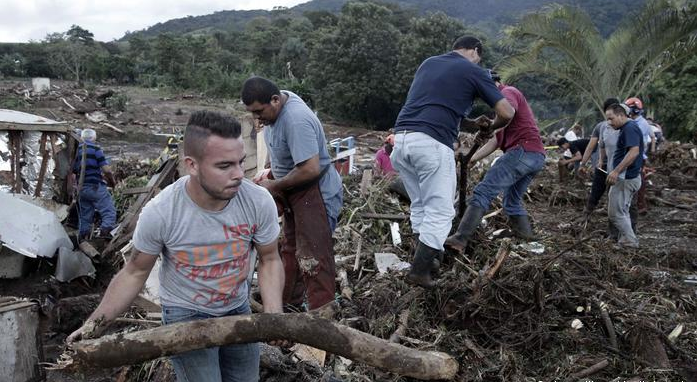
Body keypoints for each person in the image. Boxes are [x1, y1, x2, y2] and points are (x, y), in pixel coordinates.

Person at [67, 111, 286, 381]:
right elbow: (135, 272)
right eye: (224, 166)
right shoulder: (162, 212)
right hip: (186, 315)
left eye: (241, 162)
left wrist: (274, 316)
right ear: (192, 165)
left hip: (237, 308)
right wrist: (94, 325)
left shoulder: (257, 201)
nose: (239, 174)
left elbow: (270, 259)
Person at [391, 35, 515, 288]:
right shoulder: (474, 70)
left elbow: (437, 106)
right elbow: (507, 113)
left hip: (402, 140)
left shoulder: (429, 63)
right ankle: (420, 271)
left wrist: (471, 122)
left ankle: (428, 259)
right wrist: (491, 126)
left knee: (421, 205)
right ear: (476, 51)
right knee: (442, 210)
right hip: (431, 144)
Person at [241, 76, 342, 310]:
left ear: (275, 100)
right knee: (291, 252)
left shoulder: (296, 120)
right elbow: (278, 148)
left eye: (259, 111)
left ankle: (321, 320)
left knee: (314, 259)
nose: (257, 118)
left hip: (314, 192)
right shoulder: (275, 110)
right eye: (252, 113)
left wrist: (274, 186)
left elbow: (310, 169)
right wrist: (269, 171)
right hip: (293, 190)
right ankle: (288, 310)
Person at [445, 70, 545, 253]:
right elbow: (495, 140)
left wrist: (490, 126)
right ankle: (528, 241)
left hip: (522, 151)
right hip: (535, 155)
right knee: (512, 201)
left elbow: (509, 114)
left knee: (483, 192)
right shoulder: (502, 109)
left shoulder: (508, 93)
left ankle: (459, 239)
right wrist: (473, 158)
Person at [605, 103, 644, 248]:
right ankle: (625, 241)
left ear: (621, 115)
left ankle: (630, 241)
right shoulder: (627, 128)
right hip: (628, 177)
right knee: (622, 211)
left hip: (625, 178)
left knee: (615, 213)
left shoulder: (629, 128)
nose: (609, 122)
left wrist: (616, 171)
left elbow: (634, 152)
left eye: (611, 118)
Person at [71, 128, 117, 241]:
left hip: (82, 189)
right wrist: (112, 181)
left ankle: (82, 239)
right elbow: (106, 170)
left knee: (85, 216)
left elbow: (74, 171)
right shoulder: (96, 148)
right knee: (108, 211)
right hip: (95, 186)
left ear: (82, 137)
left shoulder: (78, 151)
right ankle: (104, 236)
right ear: (94, 138)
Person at [624, 97, 655, 214]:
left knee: (638, 181)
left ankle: (640, 205)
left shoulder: (641, 124)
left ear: (634, 110)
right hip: (637, 156)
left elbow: (635, 143)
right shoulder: (636, 122)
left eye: (628, 109)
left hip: (637, 157)